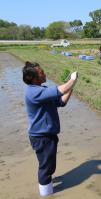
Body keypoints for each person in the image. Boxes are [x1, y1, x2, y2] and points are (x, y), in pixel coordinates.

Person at [22, 62, 78, 196]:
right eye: (41, 73)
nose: (44, 74)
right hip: (42, 137)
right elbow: (61, 90)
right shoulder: (33, 92)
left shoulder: (41, 90)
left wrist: (71, 86)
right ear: (33, 78)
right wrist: (72, 79)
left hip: (47, 135)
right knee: (46, 168)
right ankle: (47, 195)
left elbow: (61, 102)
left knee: (48, 166)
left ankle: (47, 186)